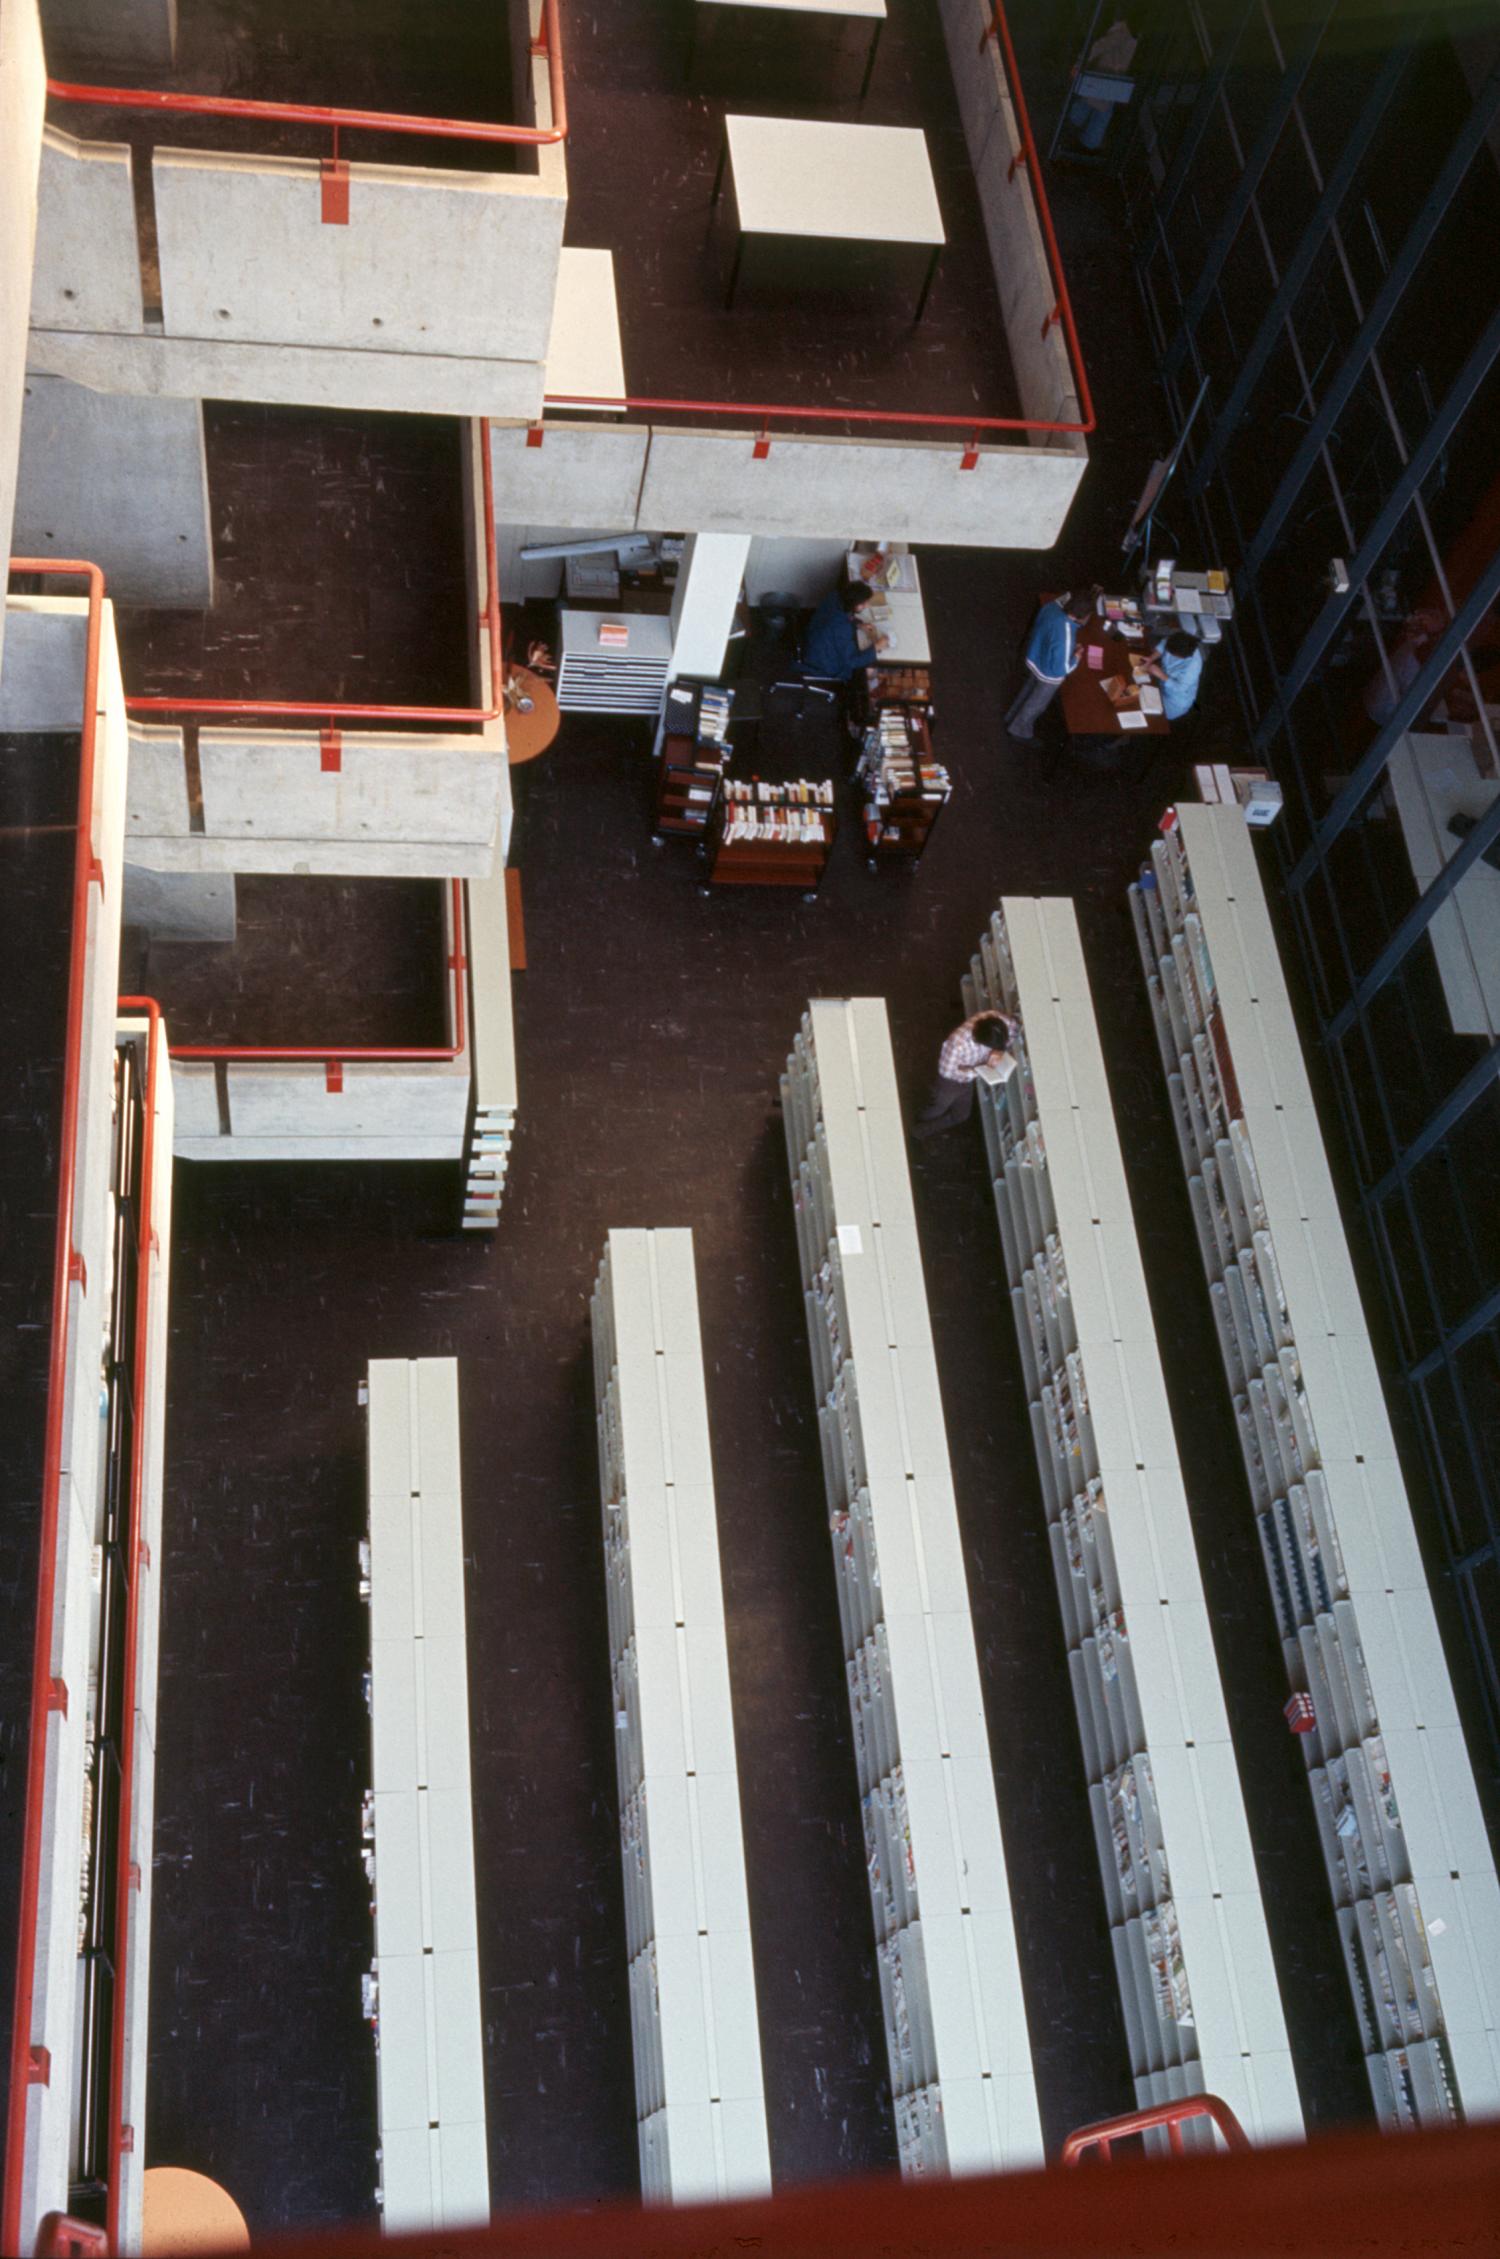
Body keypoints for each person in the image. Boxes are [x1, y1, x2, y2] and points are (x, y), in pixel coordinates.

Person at [1005, 589, 1096, 741]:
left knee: (1028, 691)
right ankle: (1019, 731)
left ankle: (1012, 716)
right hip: (1048, 675)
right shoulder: (1066, 635)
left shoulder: (1053, 607)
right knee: (1036, 705)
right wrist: (1076, 657)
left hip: (1036, 657)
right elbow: (1061, 670)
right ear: (1081, 616)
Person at [913, 1011, 1018, 1141]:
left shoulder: (1000, 1021)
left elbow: (1014, 1029)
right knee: (937, 1109)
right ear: (979, 1041)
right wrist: (977, 1071)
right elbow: (947, 1072)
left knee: (962, 1115)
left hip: (969, 1078)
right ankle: (914, 1121)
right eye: (990, 1047)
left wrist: (1000, 1050)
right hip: (951, 1081)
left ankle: (920, 1131)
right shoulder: (957, 1044)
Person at [803, 578, 888, 683]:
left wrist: (858, 624)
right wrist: (876, 647)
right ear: (852, 604)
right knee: (871, 672)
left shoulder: (834, 596)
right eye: (863, 604)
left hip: (813, 638)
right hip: (822, 662)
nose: (866, 606)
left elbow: (843, 616)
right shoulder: (842, 628)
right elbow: (852, 661)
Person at [1143, 629, 1205, 721]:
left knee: (1152, 718)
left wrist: (1161, 675)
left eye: (1172, 654)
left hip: (1175, 701)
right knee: (1142, 699)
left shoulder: (1193, 667)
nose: (1168, 654)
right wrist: (1151, 658)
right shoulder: (1176, 640)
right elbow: (1163, 645)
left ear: (1181, 656)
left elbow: (1180, 687)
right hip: (1161, 684)